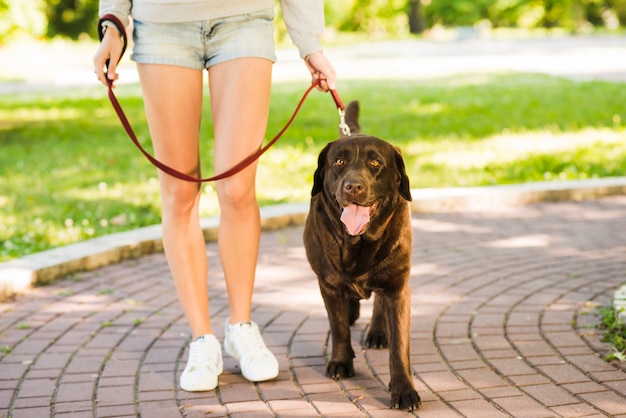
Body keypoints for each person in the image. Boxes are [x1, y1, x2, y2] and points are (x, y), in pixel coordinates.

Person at [93, 0, 336, 392]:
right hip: (163, 24)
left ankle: (240, 327)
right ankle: (202, 338)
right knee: (179, 190)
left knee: (238, 188)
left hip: (243, 19)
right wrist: (114, 24)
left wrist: (309, 42)